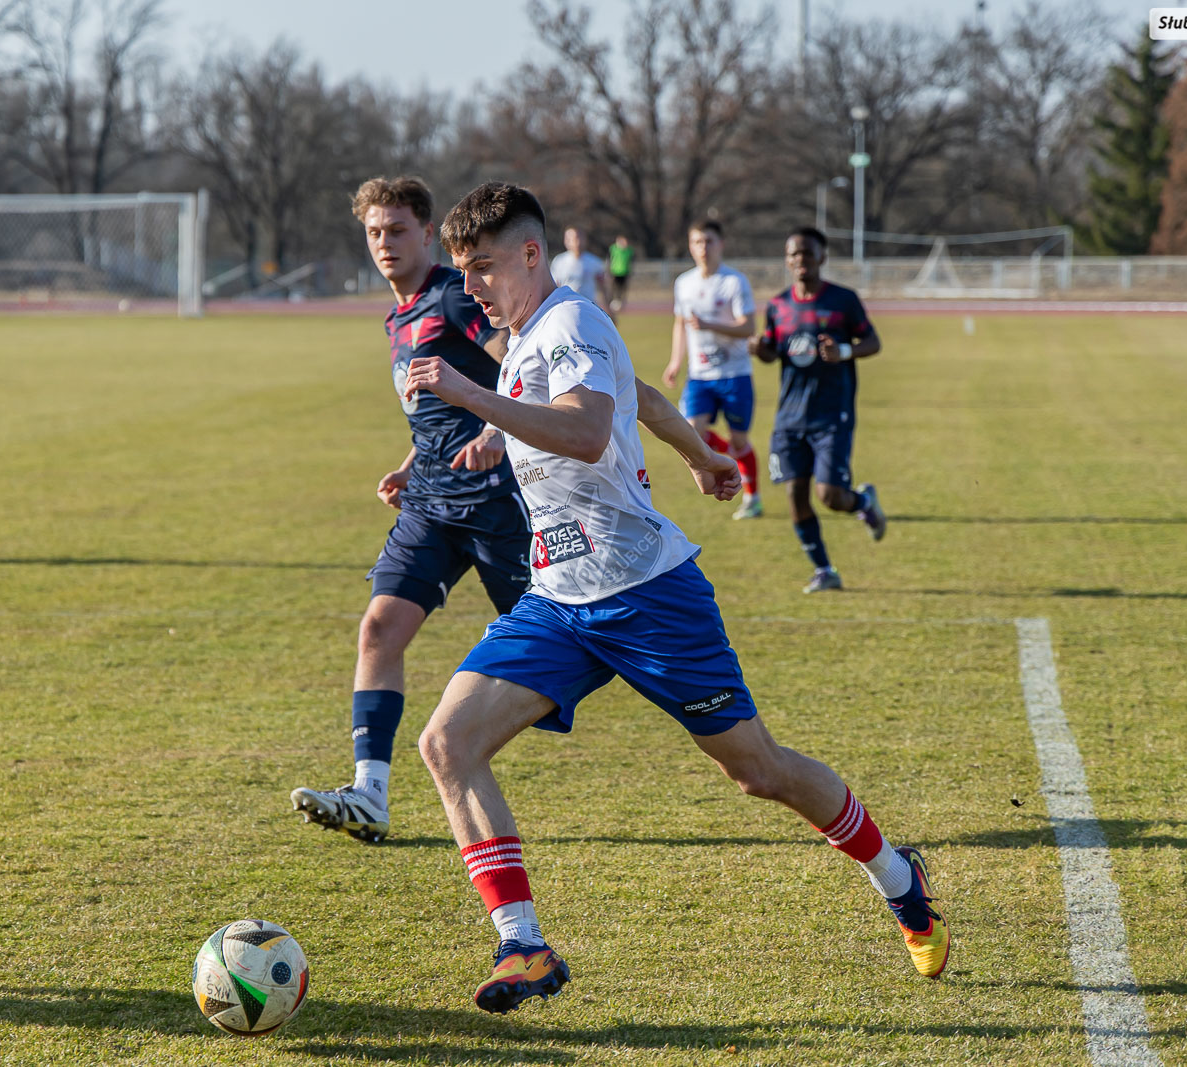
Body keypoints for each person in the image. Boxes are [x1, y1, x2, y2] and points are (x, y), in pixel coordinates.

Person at [402, 182, 947, 1015]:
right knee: (446, 742)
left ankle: (899, 877)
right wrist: (696, 453)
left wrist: (472, 397)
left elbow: (587, 430)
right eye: (464, 270)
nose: (469, 285)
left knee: (758, 770)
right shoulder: (524, 342)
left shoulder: (572, 321)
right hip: (560, 600)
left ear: (530, 255)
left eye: (481, 268)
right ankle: (524, 943)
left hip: (649, 595)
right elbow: (642, 398)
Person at [288, 176, 531, 845]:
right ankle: (370, 791)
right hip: (429, 498)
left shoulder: (454, 297)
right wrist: (408, 460)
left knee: (568, 639)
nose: (386, 243)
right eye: (375, 232)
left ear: (428, 233)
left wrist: (496, 432)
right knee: (379, 629)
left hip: (494, 500)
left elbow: (518, 358)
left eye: (398, 230)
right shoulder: (400, 314)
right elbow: (434, 402)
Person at [750, 227, 886, 593]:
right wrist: (758, 349)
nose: (800, 261)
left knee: (829, 495)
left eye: (807, 254)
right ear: (787, 260)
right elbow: (771, 351)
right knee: (795, 495)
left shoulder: (842, 301)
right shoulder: (778, 306)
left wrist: (843, 352)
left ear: (822, 257)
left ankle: (862, 500)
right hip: (789, 417)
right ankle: (825, 570)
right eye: (793, 255)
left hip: (832, 414)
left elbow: (872, 341)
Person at [662, 219, 761, 519]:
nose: (703, 248)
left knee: (740, 441)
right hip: (700, 376)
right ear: (690, 247)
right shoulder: (684, 283)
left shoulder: (734, 282)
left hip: (735, 374)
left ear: (721, 244)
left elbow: (749, 328)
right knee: (691, 431)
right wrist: (675, 361)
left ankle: (753, 498)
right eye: (697, 242)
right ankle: (723, 458)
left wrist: (709, 325)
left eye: (708, 241)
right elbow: (681, 325)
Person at [549, 227, 611, 314]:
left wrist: (608, 310)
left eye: (579, 237)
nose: (576, 241)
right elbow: (553, 287)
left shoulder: (595, 262)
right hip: (566, 310)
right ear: (566, 241)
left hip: (588, 309)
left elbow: (602, 288)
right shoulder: (559, 261)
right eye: (571, 238)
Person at [605, 234, 632, 313]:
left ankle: (620, 305)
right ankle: (610, 305)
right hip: (614, 272)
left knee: (622, 290)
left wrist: (630, 272)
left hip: (624, 273)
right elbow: (609, 260)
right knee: (612, 289)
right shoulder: (613, 249)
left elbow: (631, 262)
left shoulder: (629, 251)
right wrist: (608, 271)